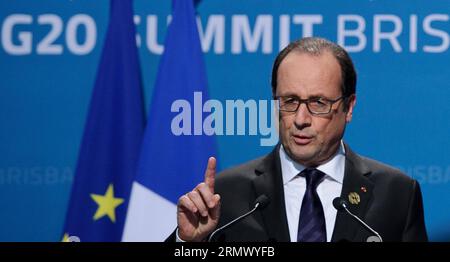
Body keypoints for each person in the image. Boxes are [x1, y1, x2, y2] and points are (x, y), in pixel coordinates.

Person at [169, 37, 428, 242]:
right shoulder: (226, 195)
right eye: (290, 101)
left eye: (318, 103)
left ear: (349, 107)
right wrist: (188, 243)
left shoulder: (397, 194)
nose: (300, 119)